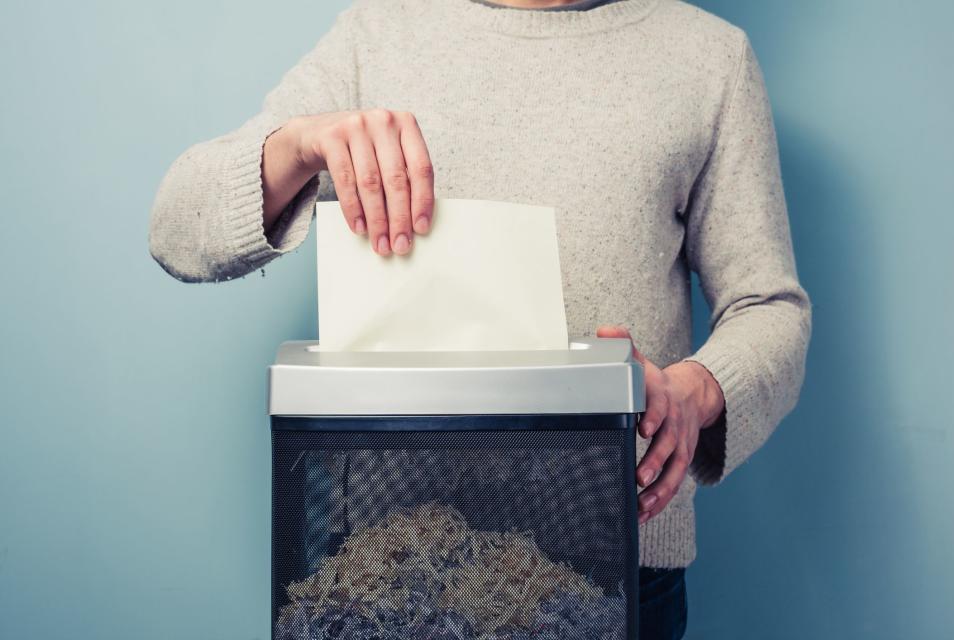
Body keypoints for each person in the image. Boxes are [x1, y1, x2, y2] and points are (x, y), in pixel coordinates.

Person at [148, 0, 812, 637]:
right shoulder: (373, 38)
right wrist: (296, 146)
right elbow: (177, 229)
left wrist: (696, 391)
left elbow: (770, 308)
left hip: (615, 566)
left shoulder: (709, 58)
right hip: (388, 571)